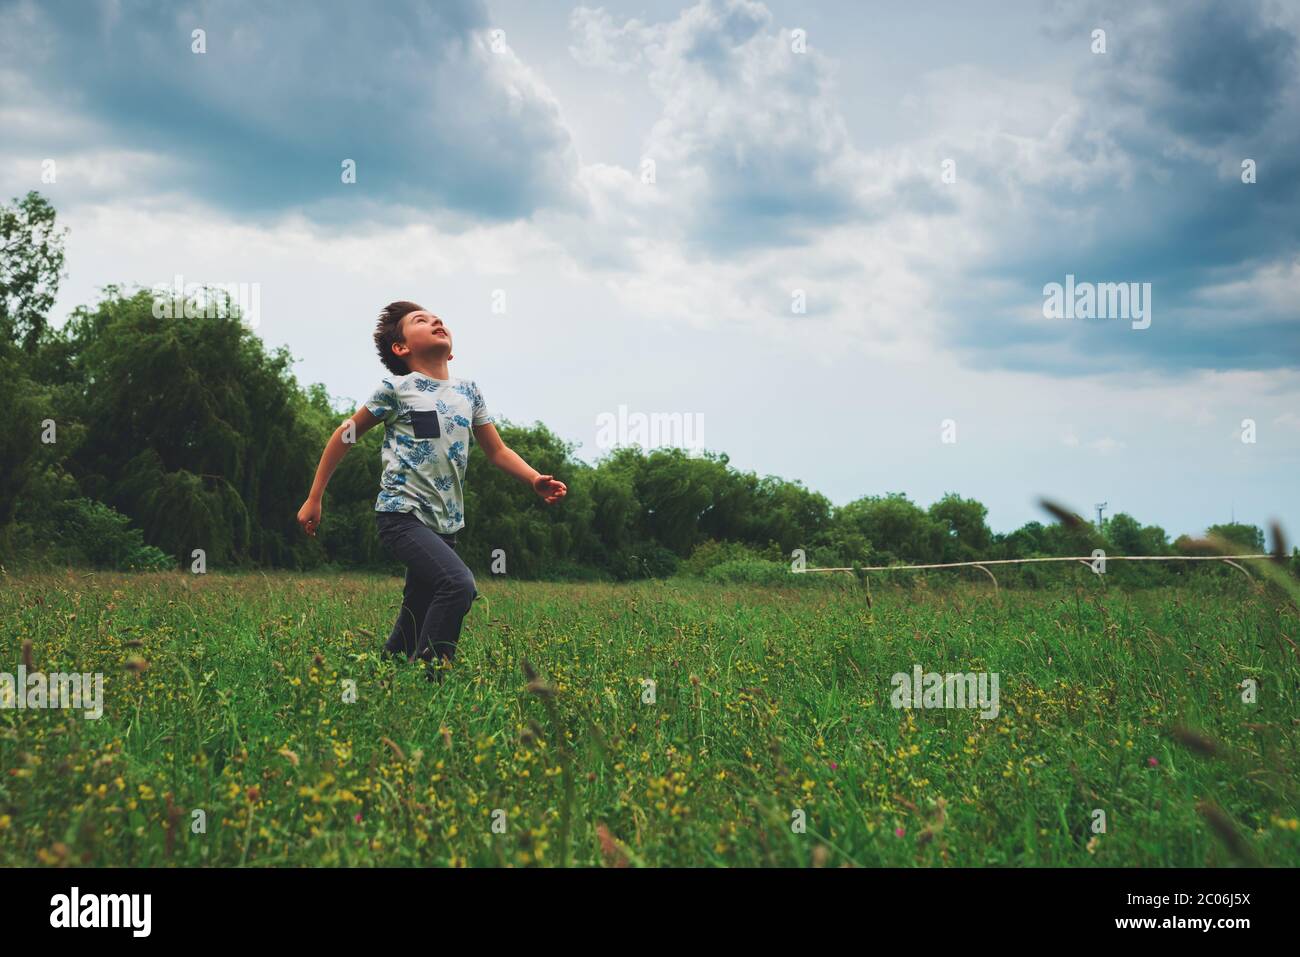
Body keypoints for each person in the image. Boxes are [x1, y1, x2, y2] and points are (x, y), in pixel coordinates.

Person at [297, 300, 566, 680]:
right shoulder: (396, 388)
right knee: (457, 585)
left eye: (438, 318)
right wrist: (314, 497)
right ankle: (432, 677)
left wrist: (534, 478)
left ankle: (386, 671)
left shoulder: (469, 391)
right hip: (400, 514)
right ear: (401, 348)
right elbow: (345, 437)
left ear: (451, 349)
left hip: (446, 522)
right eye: (421, 321)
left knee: (420, 603)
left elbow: (497, 450)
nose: (436, 320)